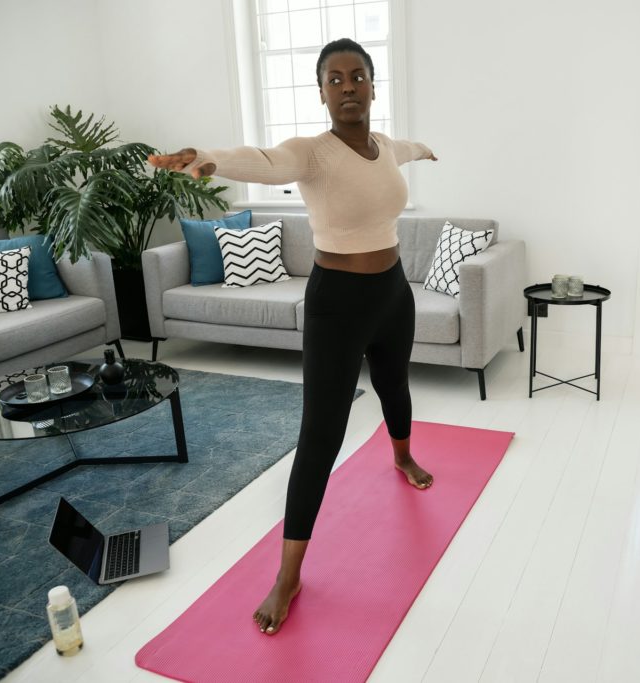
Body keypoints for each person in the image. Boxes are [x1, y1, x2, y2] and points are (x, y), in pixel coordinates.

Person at [148, 38, 438, 635]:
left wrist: (425, 149)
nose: (349, 86)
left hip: (393, 292)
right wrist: (207, 156)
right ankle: (289, 574)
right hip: (337, 303)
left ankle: (403, 455)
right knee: (321, 435)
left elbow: (402, 150)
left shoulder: (385, 146)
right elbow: (264, 159)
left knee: (394, 386)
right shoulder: (311, 153)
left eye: (358, 75)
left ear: (374, 87)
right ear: (323, 92)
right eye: (335, 79)